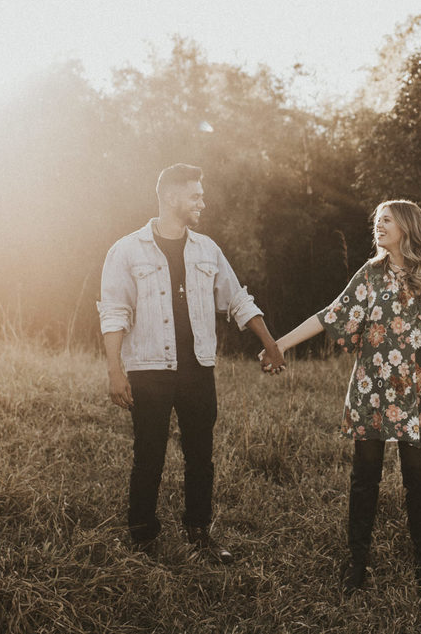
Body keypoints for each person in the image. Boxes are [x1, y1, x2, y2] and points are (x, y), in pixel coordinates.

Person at [270, 199, 421, 591]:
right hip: (370, 392)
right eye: (377, 221)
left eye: (387, 220)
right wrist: (280, 345)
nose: (379, 226)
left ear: (407, 226)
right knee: (364, 478)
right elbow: (330, 315)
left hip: (417, 393)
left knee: (418, 479)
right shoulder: (371, 274)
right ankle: (357, 564)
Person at [98, 163, 285, 561]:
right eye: (195, 195)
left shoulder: (207, 249)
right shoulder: (126, 250)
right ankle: (142, 537)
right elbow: (114, 313)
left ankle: (200, 533)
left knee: (201, 455)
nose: (203, 202)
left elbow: (237, 298)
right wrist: (115, 371)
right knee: (148, 455)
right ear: (170, 197)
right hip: (148, 369)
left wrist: (269, 342)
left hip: (198, 369)